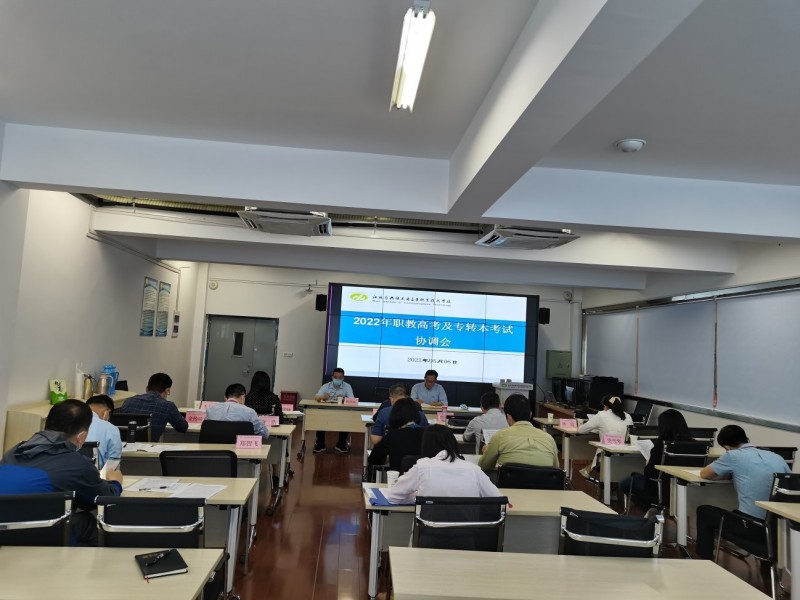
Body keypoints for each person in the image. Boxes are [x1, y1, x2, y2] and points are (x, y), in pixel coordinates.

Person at [0, 399, 123, 545]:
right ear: (82, 436)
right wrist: (116, 482)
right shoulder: (77, 464)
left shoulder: (13, 452)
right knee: (91, 523)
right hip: (39, 537)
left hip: (4, 532)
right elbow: (103, 499)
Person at [695, 424, 790, 560]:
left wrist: (728, 475)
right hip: (779, 529)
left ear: (726, 447)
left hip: (751, 528)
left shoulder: (733, 456)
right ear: (746, 439)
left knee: (704, 511)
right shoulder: (776, 457)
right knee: (735, 512)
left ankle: (704, 561)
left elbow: (705, 474)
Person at [384, 424, 501, 504]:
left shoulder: (422, 466)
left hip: (429, 533)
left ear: (426, 446)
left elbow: (394, 497)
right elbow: (499, 501)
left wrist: (418, 497)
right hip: (467, 533)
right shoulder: (474, 470)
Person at [619, 409, 692, 510]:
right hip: (688, 491)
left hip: (660, 489)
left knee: (625, 483)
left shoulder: (661, 445)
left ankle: (649, 508)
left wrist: (648, 462)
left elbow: (650, 474)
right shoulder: (696, 445)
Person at [478, 394, 559, 472]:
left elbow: (484, 466)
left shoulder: (499, 436)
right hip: (542, 481)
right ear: (530, 414)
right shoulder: (549, 439)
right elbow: (556, 468)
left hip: (509, 481)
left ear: (508, 417)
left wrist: (487, 451)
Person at [119, 372, 187, 442]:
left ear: (147, 388)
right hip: (150, 447)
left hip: (125, 445)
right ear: (167, 391)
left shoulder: (128, 401)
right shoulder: (168, 406)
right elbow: (183, 427)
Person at [578, 395, 633, 478]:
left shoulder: (602, 415)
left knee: (601, 453)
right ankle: (590, 469)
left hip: (607, 453)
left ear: (606, 406)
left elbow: (581, 430)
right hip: (625, 455)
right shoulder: (628, 416)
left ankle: (590, 469)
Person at [368, 398, 426, 472]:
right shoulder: (428, 435)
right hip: (425, 477)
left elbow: (373, 459)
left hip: (400, 477)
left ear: (395, 415)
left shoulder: (393, 435)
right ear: (417, 414)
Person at [313, 367, 353, 454]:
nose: (337, 379)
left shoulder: (347, 386)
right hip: (326, 412)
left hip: (342, 413)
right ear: (332, 377)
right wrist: (323, 397)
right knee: (319, 418)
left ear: (343, 378)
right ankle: (320, 444)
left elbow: (352, 400)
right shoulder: (326, 386)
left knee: (347, 418)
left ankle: (341, 445)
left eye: (340, 377)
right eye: (335, 377)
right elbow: (316, 397)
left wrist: (344, 399)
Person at [85, 394, 123, 469]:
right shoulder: (111, 429)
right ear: (107, 412)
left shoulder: (69, 423)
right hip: (95, 474)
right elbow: (112, 466)